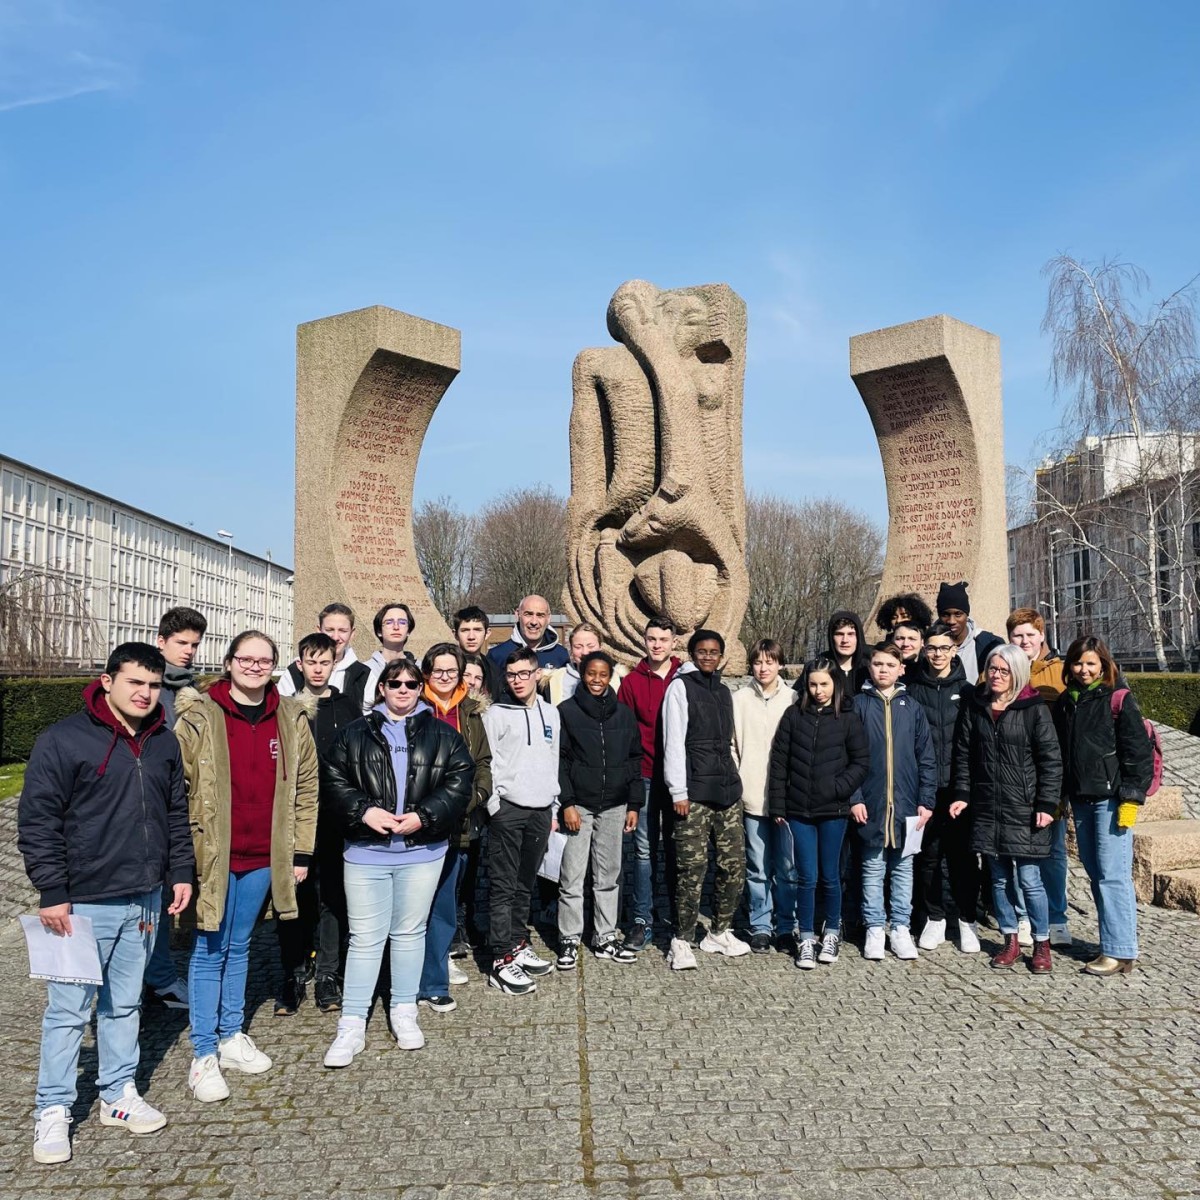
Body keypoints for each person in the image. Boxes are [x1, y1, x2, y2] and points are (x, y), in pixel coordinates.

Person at [18, 643, 194, 1164]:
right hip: (81, 903)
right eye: (135, 682)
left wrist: (179, 872)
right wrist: (53, 891)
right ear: (108, 680)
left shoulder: (163, 742)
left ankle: (117, 1093)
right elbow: (39, 820)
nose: (145, 693)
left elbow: (175, 814)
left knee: (125, 1004)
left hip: (142, 897)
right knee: (69, 1011)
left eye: (154, 685)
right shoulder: (64, 739)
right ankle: (53, 1109)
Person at [173, 631, 319, 1102]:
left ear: (274, 665)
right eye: (246, 659)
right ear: (230, 662)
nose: (254, 667)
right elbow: (177, 786)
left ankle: (232, 1034)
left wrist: (300, 852)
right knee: (207, 947)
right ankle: (203, 1052)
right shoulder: (199, 715)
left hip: (265, 855)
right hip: (212, 854)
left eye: (263, 660)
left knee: (240, 946)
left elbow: (306, 789)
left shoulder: (291, 716)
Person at [319, 658, 474, 1067]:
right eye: (394, 683)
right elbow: (333, 780)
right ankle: (351, 1024)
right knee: (366, 938)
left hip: (422, 851)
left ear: (420, 687)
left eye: (410, 683)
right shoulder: (353, 734)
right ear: (382, 688)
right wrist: (364, 811)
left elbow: (460, 781)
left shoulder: (444, 734)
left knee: (409, 933)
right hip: (366, 851)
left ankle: (404, 1010)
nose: (403, 689)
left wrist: (425, 815)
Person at [950, 644, 1063, 973]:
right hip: (988, 806)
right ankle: (1010, 939)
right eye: (992, 669)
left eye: (1003, 670)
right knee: (998, 879)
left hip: (1024, 807)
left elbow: (1050, 760)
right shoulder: (977, 705)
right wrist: (962, 793)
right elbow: (963, 755)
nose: (996, 676)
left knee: (1029, 879)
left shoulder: (1033, 707)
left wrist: (1046, 803)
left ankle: (1041, 943)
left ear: (1017, 673)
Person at [1053, 636, 1153, 976]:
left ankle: (1119, 950)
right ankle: (1111, 943)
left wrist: (1131, 797)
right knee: (1097, 875)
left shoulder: (1118, 698)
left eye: (1091, 663)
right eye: (1078, 663)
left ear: (1104, 665)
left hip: (1111, 800)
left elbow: (1137, 750)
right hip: (1081, 799)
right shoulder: (1067, 701)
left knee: (1113, 876)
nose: (1084, 670)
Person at [274, 633, 361, 1016]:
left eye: (324, 662)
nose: (318, 668)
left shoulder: (347, 705)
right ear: (300, 664)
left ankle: (328, 972)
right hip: (297, 818)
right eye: (311, 662)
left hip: (336, 816)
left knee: (333, 897)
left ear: (333, 664)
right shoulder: (287, 708)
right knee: (294, 898)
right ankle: (294, 971)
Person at [767, 656, 869, 969]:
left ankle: (832, 931)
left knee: (831, 876)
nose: (818, 690)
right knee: (806, 876)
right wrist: (778, 804)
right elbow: (780, 762)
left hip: (833, 810)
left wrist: (839, 788)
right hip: (798, 810)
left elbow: (861, 762)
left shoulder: (848, 718)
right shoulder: (793, 716)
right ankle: (807, 936)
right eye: (813, 684)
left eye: (824, 683)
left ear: (835, 684)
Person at [663, 629, 750, 968]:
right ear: (692, 653)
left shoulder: (725, 692)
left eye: (714, 652)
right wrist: (678, 791)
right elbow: (673, 743)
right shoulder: (680, 688)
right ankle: (682, 939)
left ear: (721, 655)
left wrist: (735, 775)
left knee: (733, 866)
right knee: (692, 868)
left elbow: (728, 741)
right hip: (693, 794)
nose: (708, 657)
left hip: (727, 791)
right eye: (702, 651)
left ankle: (719, 931)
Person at [416, 643, 492, 1011]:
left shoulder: (471, 713)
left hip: (460, 821)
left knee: (445, 903)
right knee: (414, 906)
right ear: (426, 673)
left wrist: (476, 796)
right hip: (418, 823)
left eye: (451, 671)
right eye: (438, 670)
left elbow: (484, 762)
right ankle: (408, 978)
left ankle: (433, 980)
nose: (444, 677)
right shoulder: (413, 708)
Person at [555, 651, 643, 969]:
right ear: (582, 673)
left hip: (615, 803)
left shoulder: (623, 714)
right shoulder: (566, 711)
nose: (596, 679)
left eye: (603, 674)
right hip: (579, 804)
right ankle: (568, 938)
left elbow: (634, 759)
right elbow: (560, 761)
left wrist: (634, 803)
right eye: (591, 673)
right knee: (572, 875)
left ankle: (604, 935)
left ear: (610, 677)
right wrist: (566, 803)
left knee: (608, 875)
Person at [481, 646, 561, 994]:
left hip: (542, 810)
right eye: (511, 675)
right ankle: (500, 958)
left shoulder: (550, 712)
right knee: (502, 884)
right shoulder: (496, 713)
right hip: (509, 810)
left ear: (536, 674)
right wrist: (496, 805)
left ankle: (517, 941)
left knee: (524, 883)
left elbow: (554, 758)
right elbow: (489, 762)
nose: (517, 681)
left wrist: (554, 805)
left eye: (524, 674)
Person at [853, 643, 936, 961]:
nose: (883, 669)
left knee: (903, 869)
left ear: (902, 668)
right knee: (872, 868)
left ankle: (900, 928)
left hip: (906, 804)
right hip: (871, 804)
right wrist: (855, 797)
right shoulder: (859, 705)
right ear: (869, 667)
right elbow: (850, 756)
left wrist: (926, 800)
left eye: (890, 664)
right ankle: (875, 927)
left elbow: (926, 758)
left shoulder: (911, 708)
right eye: (877, 664)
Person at [142, 605, 207, 1011]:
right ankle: (155, 979)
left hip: (177, 803)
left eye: (194, 644)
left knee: (165, 897)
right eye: (180, 643)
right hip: (146, 804)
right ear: (161, 641)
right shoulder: (149, 688)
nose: (187, 651)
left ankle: (160, 977)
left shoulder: (190, 689)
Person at [904, 623, 980, 953]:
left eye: (944, 648)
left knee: (962, 858)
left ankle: (966, 919)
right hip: (924, 789)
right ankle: (934, 917)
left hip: (958, 788)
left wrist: (966, 788)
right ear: (924, 650)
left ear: (954, 651)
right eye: (931, 648)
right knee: (928, 857)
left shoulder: (968, 691)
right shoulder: (911, 689)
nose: (937, 654)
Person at [1008, 608, 1072, 948]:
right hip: (1012, 775)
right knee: (1018, 850)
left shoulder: (1060, 672)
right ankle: (1023, 916)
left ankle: (1056, 916)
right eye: (1018, 636)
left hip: (1050, 773)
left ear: (1041, 636)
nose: (1024, 641)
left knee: (1053, 850)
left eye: (1030, 635)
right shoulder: (1002, 667)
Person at [617, 616, 682, 951]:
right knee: (643, 851)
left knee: (675, 848)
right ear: (644, 641)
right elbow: (625, 734)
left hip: (676, 779)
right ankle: (642, 919)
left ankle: (674, 917)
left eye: (663, 639)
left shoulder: (683, 677)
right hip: (643, 775)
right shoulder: (631, 682)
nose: (657, 645)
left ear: (673, 642)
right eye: (651, 639)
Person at [731, 638, 799, 953]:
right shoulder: (740, 699)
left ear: (780, 664)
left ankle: (786, 924)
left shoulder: (794, 698)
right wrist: (738, 776)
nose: (764, 667)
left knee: (787, 867)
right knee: (757, 866)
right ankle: (760, 924)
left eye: (770, 661)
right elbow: (731, 744)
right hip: (753, 797)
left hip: (786, 799)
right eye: (758, 662)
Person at [278, 603, 370, 712]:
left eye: (342, 631)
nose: (336, 637)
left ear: (352, 633)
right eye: (330, 630)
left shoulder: (364, 675)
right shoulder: (294, 673)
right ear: (319, 630)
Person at [486, 595, 570, 691]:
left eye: (540, 615)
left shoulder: (562, 656)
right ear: (518, 614)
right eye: (528, 614)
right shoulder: (497, 655)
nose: (534, 622)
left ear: (548, 618)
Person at [544, 621, 627, 704]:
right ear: (571, 649)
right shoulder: (555, 679)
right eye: (578, 647)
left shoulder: (618, 679)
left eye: (590, 646)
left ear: (600, 647)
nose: (585, 652)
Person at [936, 580, 1002, 683]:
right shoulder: (927, 646)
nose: (951, 621)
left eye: (958, 614)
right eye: (945, 615)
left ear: (967, 615)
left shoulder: (988, 644)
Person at [363, 602, 417, 713]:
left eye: (402, 622)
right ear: (379, 631)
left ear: (409, 631)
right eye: (389, 622)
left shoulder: (420, 668)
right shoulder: (364, 670)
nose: (396, 627)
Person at [454, 605, 499, 697]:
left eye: (477, 630)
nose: (471, 637)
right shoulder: (446, 667)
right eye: (465, 630)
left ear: (487, 633)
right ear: (455, 634)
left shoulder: (495, 671)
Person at [825, 610, 870, 697]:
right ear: (831, 637)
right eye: (839, 634)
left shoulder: (870, 668)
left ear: (858, 637)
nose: (845, 640)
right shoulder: (821, 666)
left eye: (851, 634)